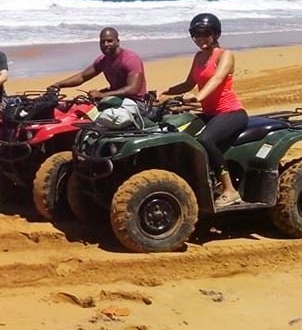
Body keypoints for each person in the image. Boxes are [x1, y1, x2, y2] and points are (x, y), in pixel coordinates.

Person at [161, 13, 248, 207]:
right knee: (178, 131)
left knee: (205, 140)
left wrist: (197, 97)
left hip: (230, 112)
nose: (200, 38)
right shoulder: (199, 56)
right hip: (209, 113)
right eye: (196, 34)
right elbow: (189, 83)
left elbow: (217, 79)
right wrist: (164, 93)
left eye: (205, 33)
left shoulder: (225, 55)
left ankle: (229, 190)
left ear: (215, 33)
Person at [49, 27, 147, 100]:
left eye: (109, 41)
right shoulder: (103, 60)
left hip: (135, 102)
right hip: (116, 97)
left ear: (117, 42)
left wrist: (102, 95)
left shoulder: (130, 59)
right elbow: (82, 77)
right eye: (102, 42)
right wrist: (57, 85)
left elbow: (133, 89)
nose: (106, 44)